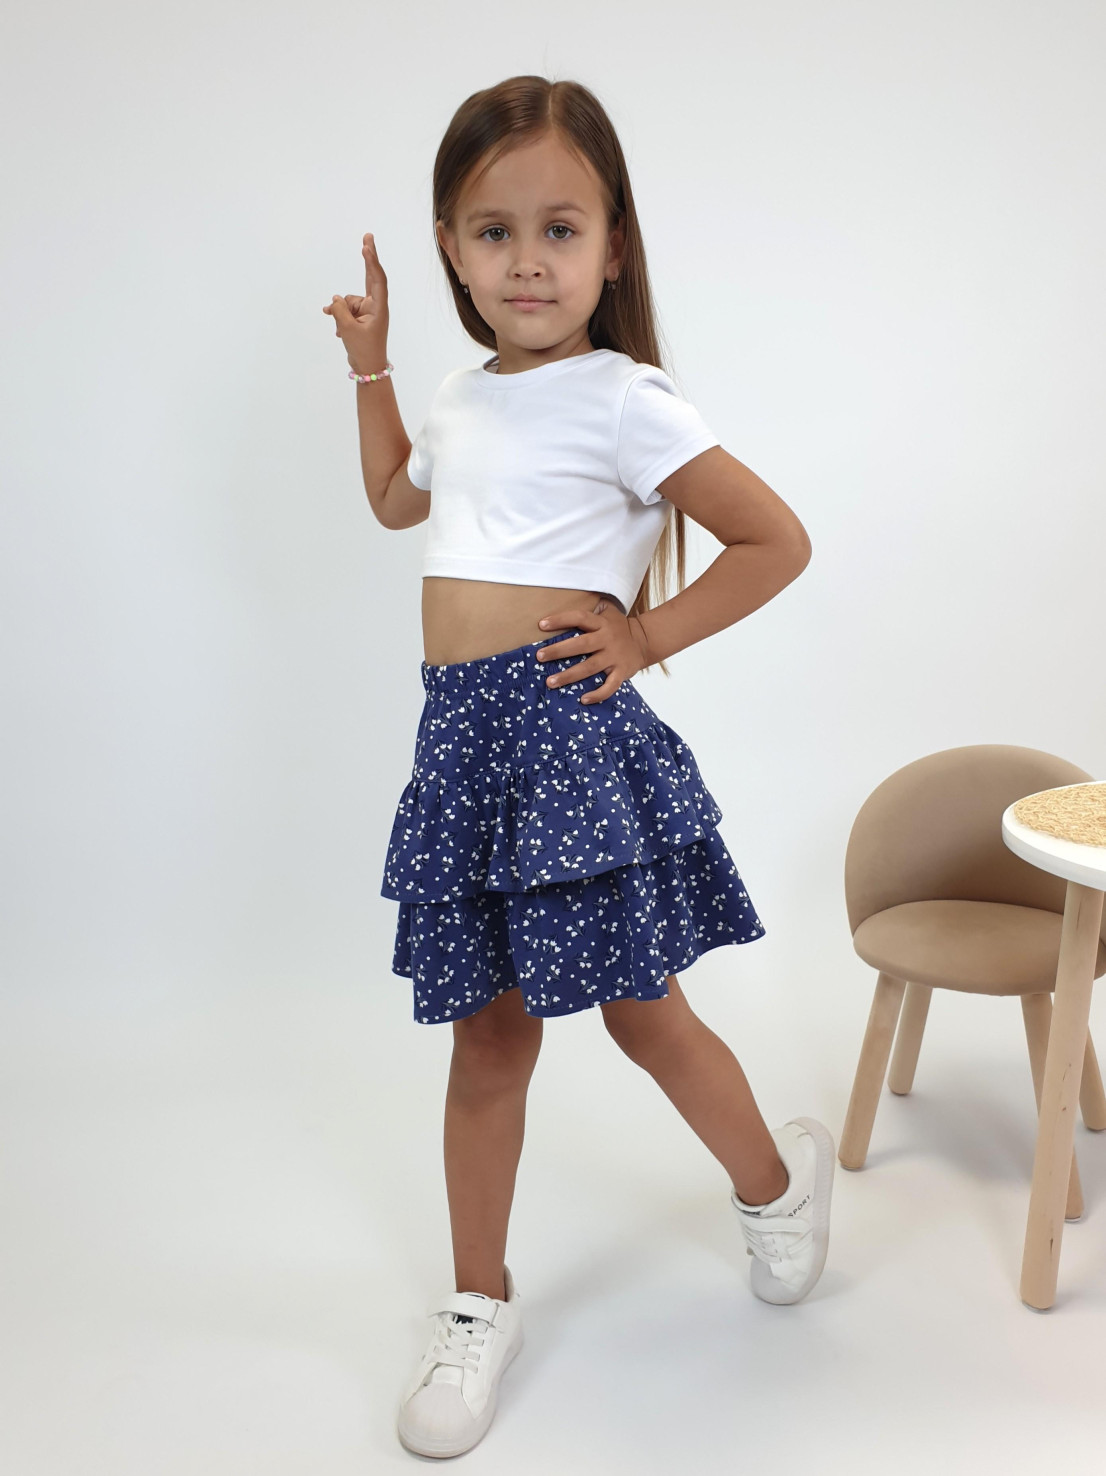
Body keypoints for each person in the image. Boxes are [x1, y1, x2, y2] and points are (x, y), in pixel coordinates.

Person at [324, 74, 836, 1461]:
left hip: (565, 744)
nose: (527, 261)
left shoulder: (626, 398)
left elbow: (774, 540)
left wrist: (646, 635)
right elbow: (396, 501)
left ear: (613, 249)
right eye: (494, 232)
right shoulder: (458, 394)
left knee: (642, 1013)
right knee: (488, 1038)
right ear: (450, 247)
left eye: (561, 229)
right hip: (460, 748)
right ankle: (476, 1303)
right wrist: (371, 367)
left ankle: (777, 1188)